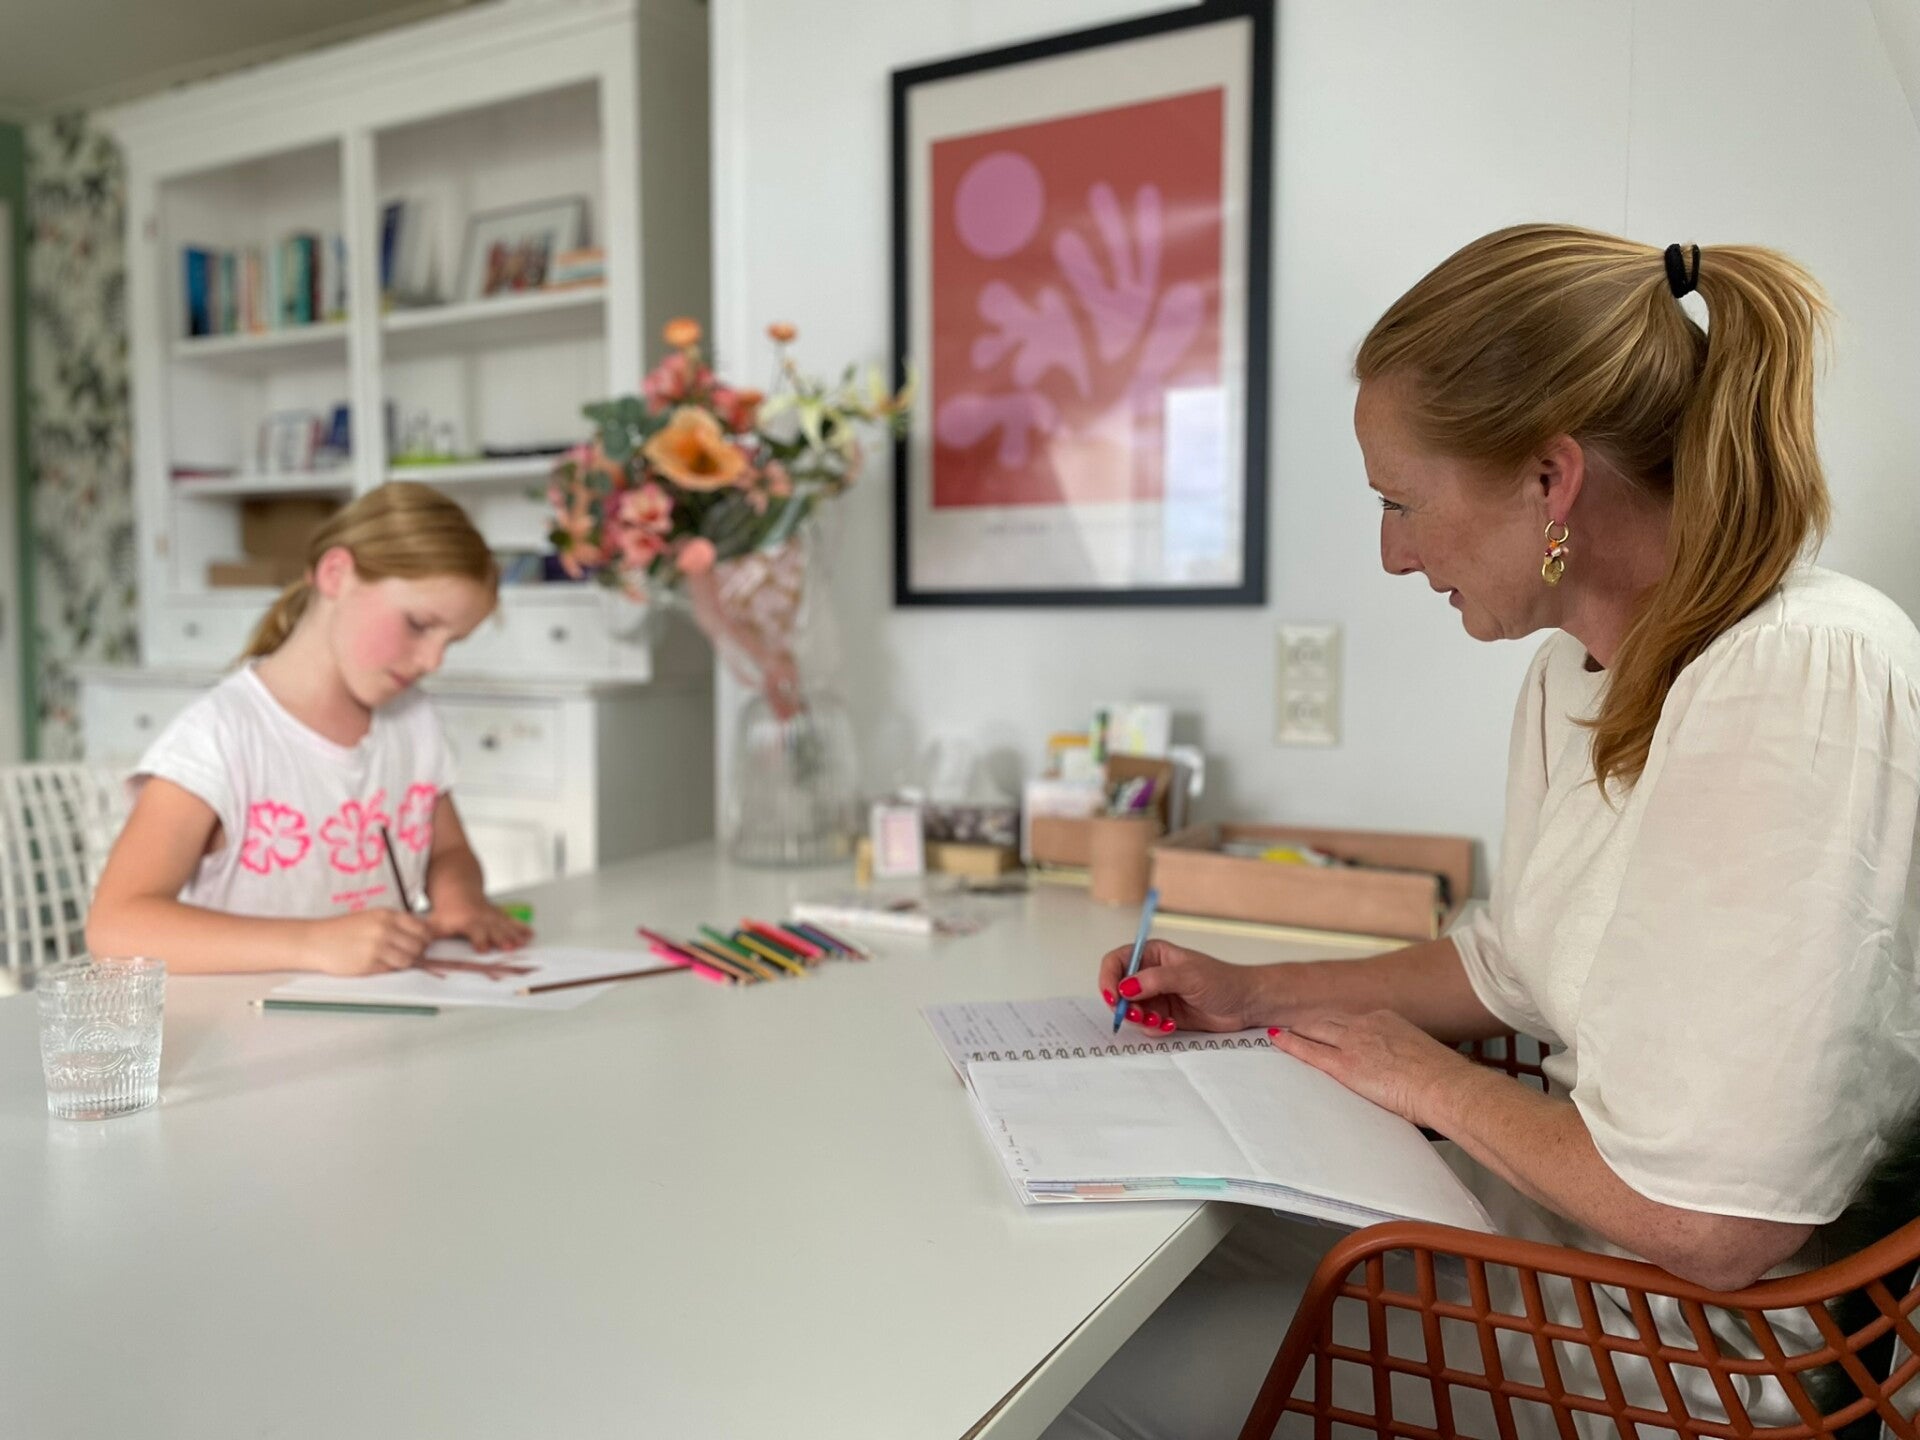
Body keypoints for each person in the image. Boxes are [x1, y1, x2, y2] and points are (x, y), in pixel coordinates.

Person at [1047, 225, 1920, 1439]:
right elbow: (1511, 964)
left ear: (1550, 481)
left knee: (1097, 1386)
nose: (1392, 553)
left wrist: (1424, 1079)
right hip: (1560, 1248)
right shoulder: (1580, 673)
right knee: (1126, 1289)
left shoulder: (1803, 675)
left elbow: (1717, 1229)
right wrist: (1251, 992)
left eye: (1402, 502)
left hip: (1700, 1358)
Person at [86, 482, 534, 976]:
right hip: (247, 1020)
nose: (432, 660)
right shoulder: (219, 737)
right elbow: (115, 927)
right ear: (335, 574)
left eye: (451, 642)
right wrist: (314, 944)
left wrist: (458, 897)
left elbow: (448, 849)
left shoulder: (414, 720)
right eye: (420, 624)